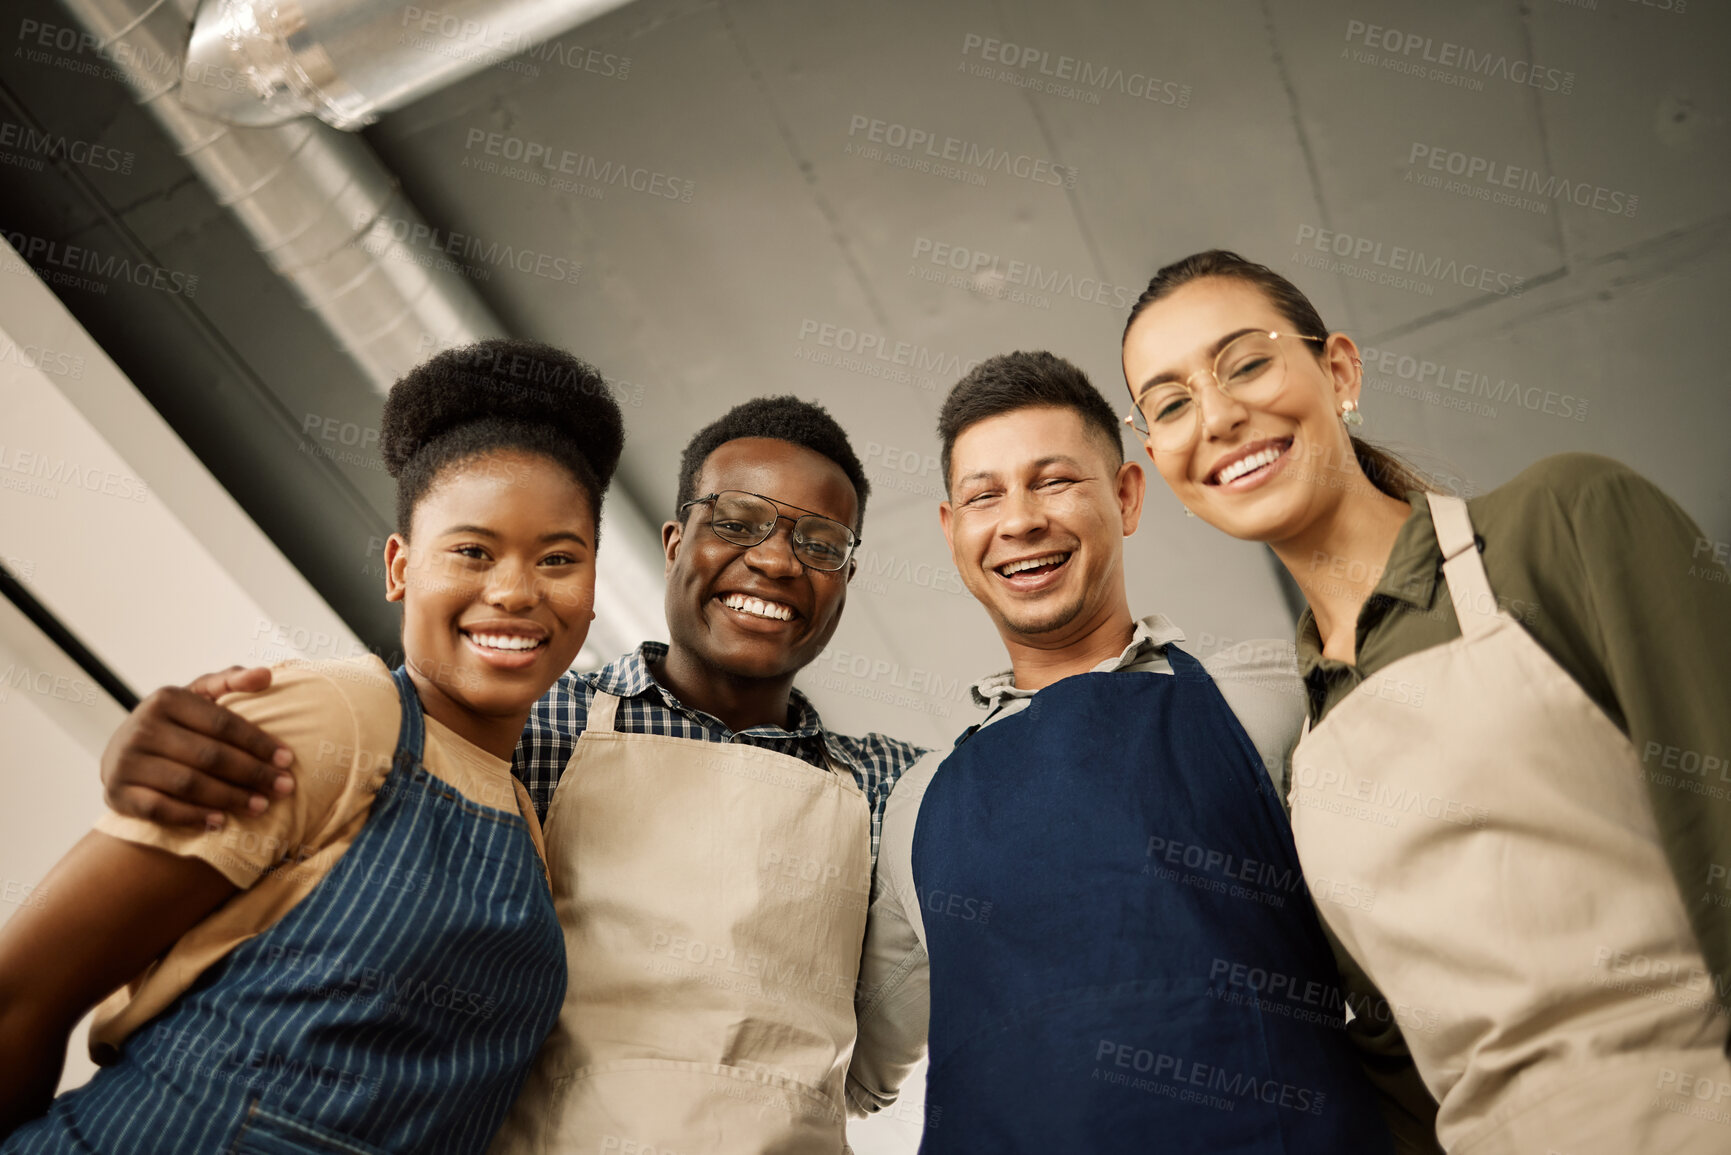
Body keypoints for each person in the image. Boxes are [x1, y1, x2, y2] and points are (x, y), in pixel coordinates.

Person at [96, 396, 926, 1153]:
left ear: (845, 582)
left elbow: (889, 1049)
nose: (778, 561)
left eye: (820, 543)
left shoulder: (894, 787)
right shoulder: (527, 720)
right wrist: (145, 746)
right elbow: (333, 769)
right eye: (738, 521)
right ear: (676, 544)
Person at [1118, 249, 1731, 1154]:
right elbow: (1396, 1074)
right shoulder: (1300, 762)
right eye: (1170, 404)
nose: (1217, 415)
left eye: (1245, 362)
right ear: (1161, 463)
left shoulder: (1561, 522)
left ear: (1338, 371)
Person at [0, 339, 625, 1152]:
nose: (514, 590)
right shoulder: (339, 715)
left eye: (558, 559)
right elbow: (23, 993)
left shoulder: (527, 820)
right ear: (400, 567)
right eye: (472, 550)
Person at [848, 352, 1394, 1152]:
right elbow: (845, 1070)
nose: (1020, 519)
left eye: (1055, 480)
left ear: (1127, 495)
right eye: (983, 495)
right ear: (951, 529)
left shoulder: (1271, 695)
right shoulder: (914, 804)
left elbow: (1413, 960)